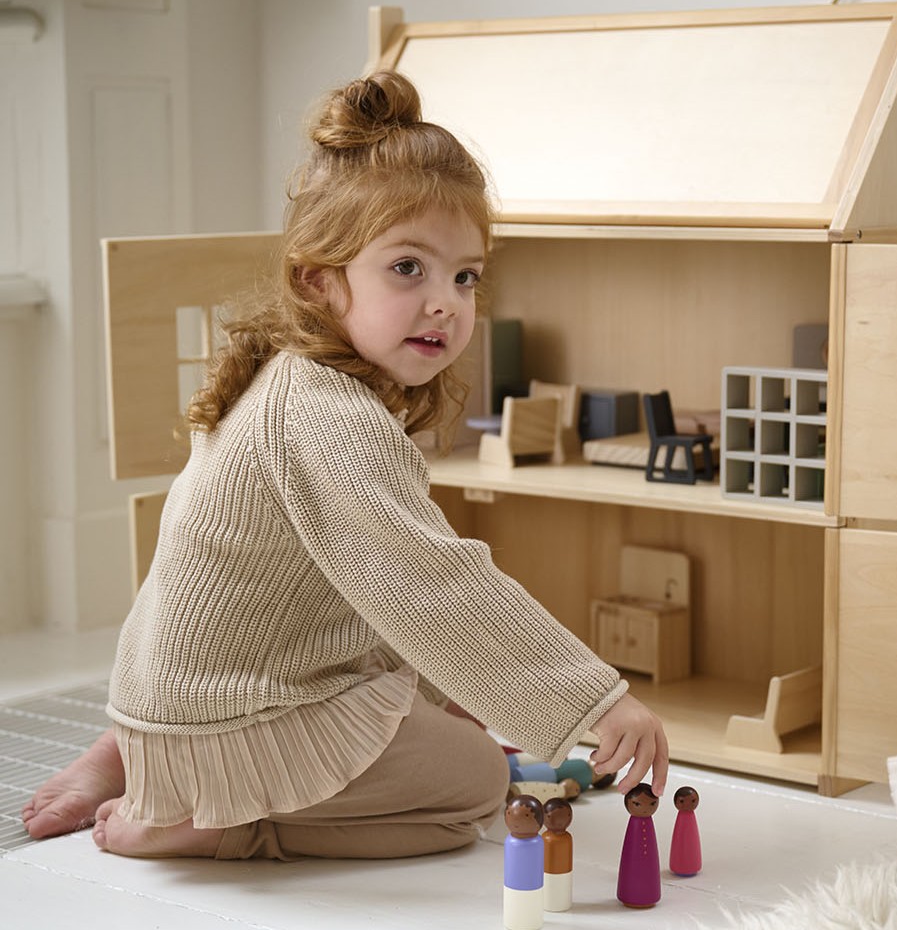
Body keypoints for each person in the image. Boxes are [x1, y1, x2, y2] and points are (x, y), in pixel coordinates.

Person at [21, 69, 669, 862]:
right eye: (408, 268)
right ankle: (221, 821)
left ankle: (134, 760)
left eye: (465, 276)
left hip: (169, 700)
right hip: (227, 718)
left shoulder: (288, 378)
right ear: (319, 280)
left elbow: (366, 595)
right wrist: (594, 701)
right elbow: (431, 584)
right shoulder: (331, 417)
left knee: (433, 699)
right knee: (474, 781)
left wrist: (459, 689)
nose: (446, 301)